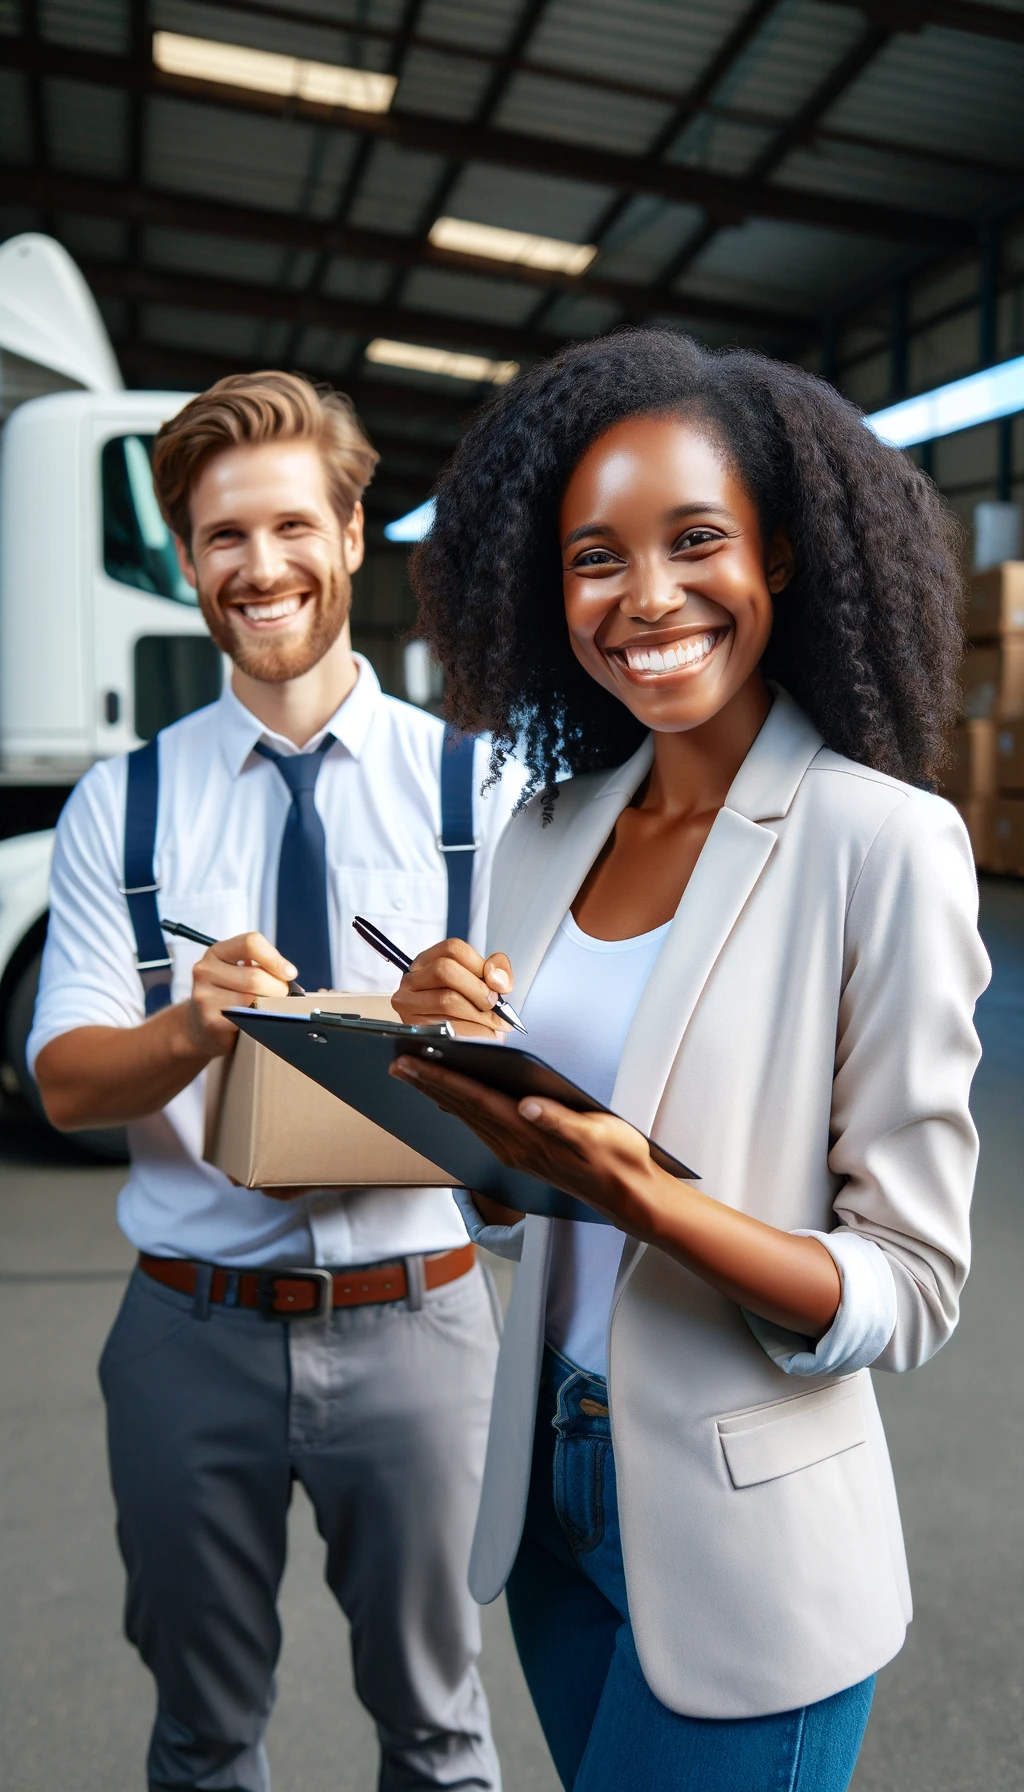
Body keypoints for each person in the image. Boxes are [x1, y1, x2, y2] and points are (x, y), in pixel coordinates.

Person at [387, 330, 990, 1792]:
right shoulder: (543, 834)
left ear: (779, 559)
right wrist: (458, 1083)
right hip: (553, 1500)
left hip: (746, 1529)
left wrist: (653, 1201)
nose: (645, 598)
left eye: (695, 540)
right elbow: (517, 1205)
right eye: (596, 557)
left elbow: (910, 1289)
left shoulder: (883, 843)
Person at [29, 372, 522, 1792]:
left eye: (293, 525)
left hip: (424, 1330)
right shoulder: (120, 806)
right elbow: (64, 1082)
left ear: (355, 532)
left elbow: (567, 1093)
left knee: (440, 1733)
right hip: (194, 1335)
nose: (262, 567)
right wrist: (188, 1028)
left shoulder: (477, 794)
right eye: (223, 536)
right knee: (200, 1737)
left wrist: (471, 1031)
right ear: (189, 560)